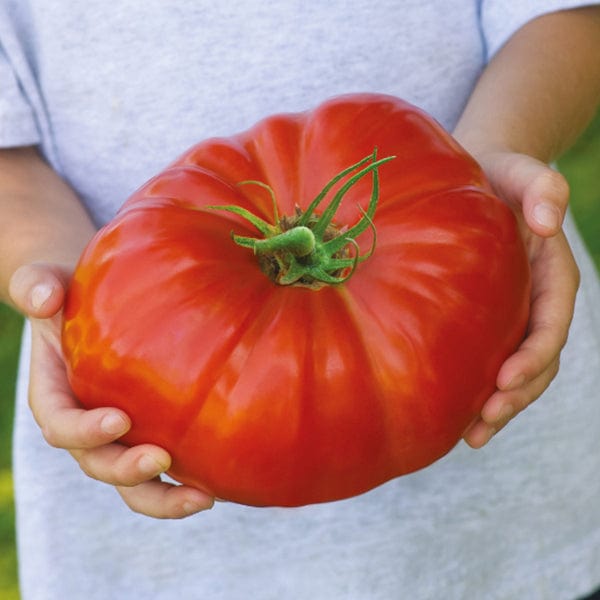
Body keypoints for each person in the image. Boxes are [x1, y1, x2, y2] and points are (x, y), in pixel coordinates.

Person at [1, 1, 599, 598]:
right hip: (153, 553)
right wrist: (75, 298)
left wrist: (490, 159)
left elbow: (572, 14)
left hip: (525, 512)